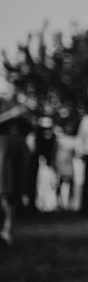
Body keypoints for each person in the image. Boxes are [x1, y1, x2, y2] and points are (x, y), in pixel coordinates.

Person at [0, 92, 32, 245]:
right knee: (4, 189)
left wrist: (23, 115)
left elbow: (28, 129)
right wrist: (10, 114)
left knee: (12, 191)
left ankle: (8, 229)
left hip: (16, 149)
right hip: (3, 149)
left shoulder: (20, 105)